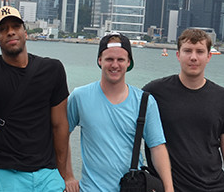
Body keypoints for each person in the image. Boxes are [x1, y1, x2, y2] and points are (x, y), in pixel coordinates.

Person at [0, 6, 77, 191]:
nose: (10, 32)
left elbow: (60, 126)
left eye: (16, 26)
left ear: (25, 32)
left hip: (47, 173)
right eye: (3, 29)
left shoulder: (52, 70)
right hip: (6, 171)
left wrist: (64, 175)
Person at [67, 33, 173, 192]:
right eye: (109, 59)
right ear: (99, 60)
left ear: (129, 62)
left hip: (132, 187)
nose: (114, 65)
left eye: (120, 60)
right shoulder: (80, 97)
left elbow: (157, 148)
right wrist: (68, 175)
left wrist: (169, 189)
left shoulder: (144, 102)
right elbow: (60, 135)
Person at [142, 28, 224, 192]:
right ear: (178, 55)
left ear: (209, 56)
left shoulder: (223, 97)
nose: (193, 57)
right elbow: (133, 133)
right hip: (170, 187)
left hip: (215, 187)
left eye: (200, 52)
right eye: (187, 51)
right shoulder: (155, 91)